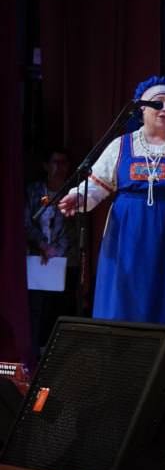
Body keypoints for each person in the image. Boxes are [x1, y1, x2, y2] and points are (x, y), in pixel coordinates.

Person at [58, 76, 165, 331]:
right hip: (124, 235)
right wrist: (78, 196)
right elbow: (97, 184)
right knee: (122, 297)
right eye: (158, 102)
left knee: (163, 298)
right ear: (142, 108)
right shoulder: (121, 146)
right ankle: (119, 352)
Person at [25, 146, 75, 351]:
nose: (59, 167)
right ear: (46, 166)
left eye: (63, 163)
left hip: (64, 261)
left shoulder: (73, 193)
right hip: (37, 258)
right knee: (37, 308)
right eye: (55, 162)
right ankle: (35, 351)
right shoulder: (34, 191)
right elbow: (26, 222)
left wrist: (57, 251)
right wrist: (42, 245)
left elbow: (74, 228)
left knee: (60, 307)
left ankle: (57, 351)